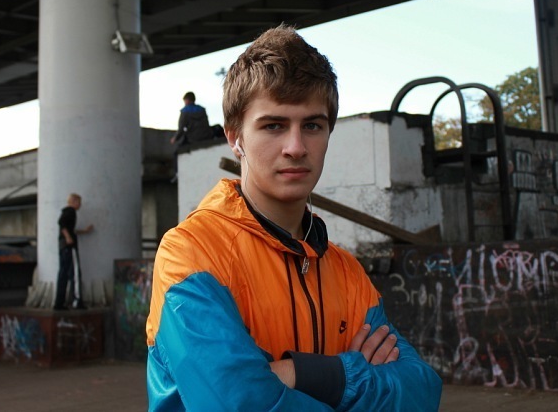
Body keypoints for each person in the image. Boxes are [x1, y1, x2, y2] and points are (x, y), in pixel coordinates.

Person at [146, 25, 442, 410]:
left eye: (312, 126)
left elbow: (421, 391)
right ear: (235, 137)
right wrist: (352, 376)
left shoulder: (348, 273)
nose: (296, 147)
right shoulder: (191, 255)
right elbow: (242, 403)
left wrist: (302, 373)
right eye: (274, 125)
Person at [53, 193, 94, 310]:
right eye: (79, 202)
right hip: (69, 247)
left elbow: (69, 229)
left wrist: (84, 231)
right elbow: (61, 223)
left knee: (63, 273)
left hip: (62, 247)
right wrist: (68, 238)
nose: (80, 205)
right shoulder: (70, 211)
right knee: (74, 273)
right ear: (74, 201)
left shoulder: (65, 212)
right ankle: (77, 301)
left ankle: (59, 303)